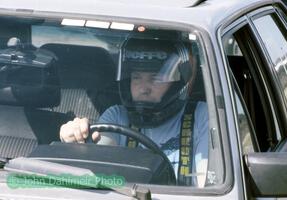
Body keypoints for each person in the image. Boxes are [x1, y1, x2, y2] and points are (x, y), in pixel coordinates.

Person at [59, 37, 209, 186]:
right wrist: (77, 139)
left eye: (155, 78)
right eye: (136, 77)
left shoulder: (203, 117)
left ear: (179, 82)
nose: (144, 88)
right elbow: (96, 160)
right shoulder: (117, 116)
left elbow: (206, 186)